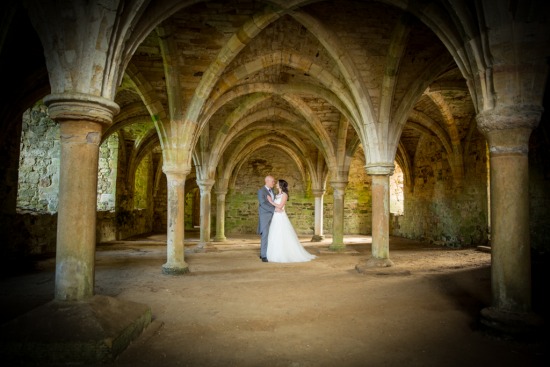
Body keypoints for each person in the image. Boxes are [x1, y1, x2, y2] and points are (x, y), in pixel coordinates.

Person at [266, 179, 316, 263]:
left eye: (277, 183)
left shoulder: (284, 195)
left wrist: (271, 201)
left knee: (282, 234)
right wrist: (275, 207)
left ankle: (284, 254)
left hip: (281, 217)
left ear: (281, 185)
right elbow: (277, 207)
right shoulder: (277, 194)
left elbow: (280, 206)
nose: (276, 184)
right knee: (274, 234)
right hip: (276, 216)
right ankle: (274, 253)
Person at [257, 175, 277, 262]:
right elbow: (262, 204)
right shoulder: (261, 191)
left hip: (273, 215)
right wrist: (274, 210)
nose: (274, 183)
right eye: (272, 181)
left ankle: (269, 252)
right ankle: (263, 255)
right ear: (267, 181)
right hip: (265, 216)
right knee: (265, 235)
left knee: (272, 235)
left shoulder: (272, 190)